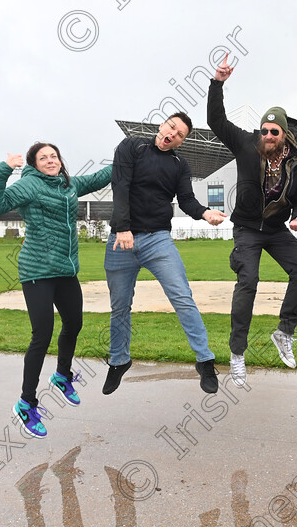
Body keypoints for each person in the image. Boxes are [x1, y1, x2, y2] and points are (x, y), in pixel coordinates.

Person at [0, 143, 112, 439]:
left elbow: (98, 178)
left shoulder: (68, 185)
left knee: (74, 324)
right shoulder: (29, 185)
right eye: (44, 158)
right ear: (34, 164)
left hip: (66, 271)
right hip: (37, 272)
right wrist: (5, 169)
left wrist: (131, 155)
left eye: (54, 156)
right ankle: (26, 403)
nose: (50, 160)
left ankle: (62, 375)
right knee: (42, 335)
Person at [208, 55, 297, 386]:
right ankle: (237, 355)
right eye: (265, 130)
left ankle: (285, 332)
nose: (268, 135)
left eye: (274, 131)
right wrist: (218, 83)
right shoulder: (246, 143)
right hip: (247, 230)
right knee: (248, 281)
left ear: (283, 134)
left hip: (277, 230)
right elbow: (216, 121)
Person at [103, 112, 227, 396]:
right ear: (162, 125)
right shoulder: (132, 147)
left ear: (181, 142)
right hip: (121, 240)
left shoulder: (179, 165)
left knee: (182, 298)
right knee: (119, 306)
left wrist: (205, 212)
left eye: (180, 134)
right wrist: (122, 228)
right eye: (171, 127)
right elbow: (120, 185)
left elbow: (186, 200)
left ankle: (205, 361)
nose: (173, 134)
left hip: (157, 239)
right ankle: (119, 361)